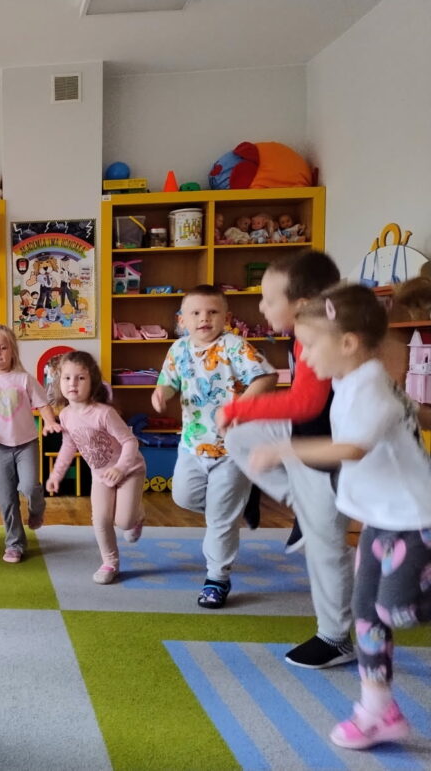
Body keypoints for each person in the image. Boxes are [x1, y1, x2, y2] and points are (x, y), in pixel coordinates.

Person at [251, 284, 431, 750]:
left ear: (348, 342)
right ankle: (377, 710)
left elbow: (351, 448)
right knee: (366, 614)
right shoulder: (352, 381)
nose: (304, 356)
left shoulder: (369, 384)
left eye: (311, 345)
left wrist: (284, 449)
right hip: (379, 519)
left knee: (397, 609)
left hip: (416, 520)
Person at [218, 251, 356, 668]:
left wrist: (240, 407)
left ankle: (335, 638)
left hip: (328, 453)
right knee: (239, 437)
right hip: (305, 436)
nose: (261, 307)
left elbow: (306, 402)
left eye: (268, 299)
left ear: (302, 303)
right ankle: (297, 502)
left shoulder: (324, 335)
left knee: (325, 549)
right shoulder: (302, 333)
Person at [152, 285, 277, 609]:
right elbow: (169, 382)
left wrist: (240, 407)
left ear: (226, 317)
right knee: (183, 497)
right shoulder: (178, 349)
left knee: (220, 519)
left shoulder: (234, 346)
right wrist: (161, 393)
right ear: (182, 320)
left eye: (212, 312)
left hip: (232, 449)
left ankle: (216, 579)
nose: (204, 318)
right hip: (192, 445)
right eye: (195, 313)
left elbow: (267, 378)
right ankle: (242, 502)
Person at [45, 351, 146, 583]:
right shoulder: (66, 415)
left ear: (93, 382)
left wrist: (121, 468)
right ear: (59, 382)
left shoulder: (104, 413)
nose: (73, 383)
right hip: (100, 476)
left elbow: (130, 442)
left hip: (130, 470)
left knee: (124, 522)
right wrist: (56, 475)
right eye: (67, 378)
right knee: (100, 519)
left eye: (80, 378)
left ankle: (137, 515)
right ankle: (110, 563)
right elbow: (68, 445)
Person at [0, 324, 60, 562]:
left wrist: (50, 422)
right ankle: (14, 544)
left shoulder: (24, 379)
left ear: (12, 351)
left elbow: (42, 404)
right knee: (6, 498)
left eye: (2, 347)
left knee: (29, 487)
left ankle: (37, 510)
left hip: (26, 443)